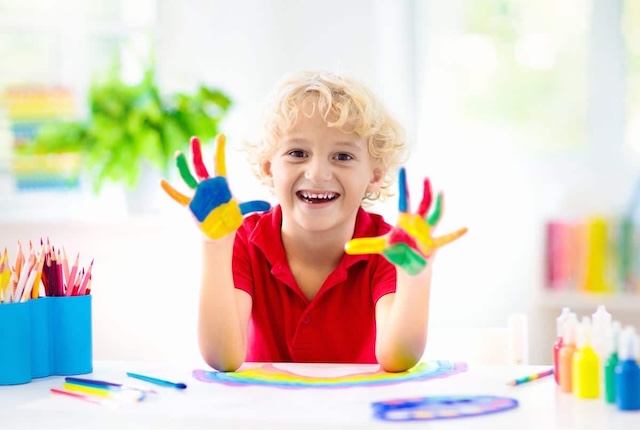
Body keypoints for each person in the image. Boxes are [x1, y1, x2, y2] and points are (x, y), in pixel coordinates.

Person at [161, 70, 467, 373]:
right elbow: (223, 358)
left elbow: (397, 358)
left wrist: (417, 275)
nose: (318, 173)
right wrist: (215, 245)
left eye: (343, 156)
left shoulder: (388, 248)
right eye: (297, 153)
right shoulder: (245, 239)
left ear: (374, 175)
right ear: (269, 168)